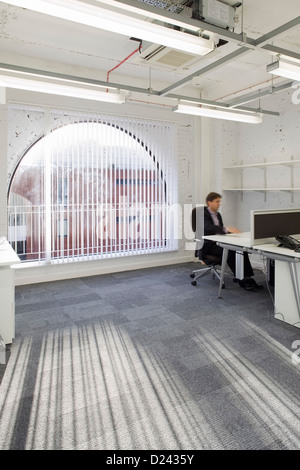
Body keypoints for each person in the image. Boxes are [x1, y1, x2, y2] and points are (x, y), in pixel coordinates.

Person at [202, 191, 261, 291]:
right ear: (209, 202)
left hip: (218, 241)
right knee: (231, 250)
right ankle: (241, 279)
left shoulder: (218, 214)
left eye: (219, 201)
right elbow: (208, 228)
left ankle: (247, 277)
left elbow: (219, 230)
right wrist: (227, 229)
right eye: (217, 201)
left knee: (241, 248)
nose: (219, 204)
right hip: (208, 245)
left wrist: (232, 234)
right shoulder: (202, 214)